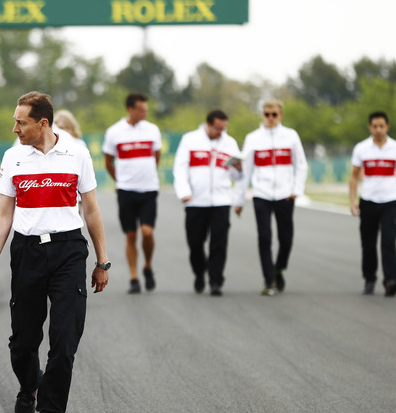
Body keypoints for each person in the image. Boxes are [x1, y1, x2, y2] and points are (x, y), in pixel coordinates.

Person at [0, 91, 110, 413]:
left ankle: (50, 412)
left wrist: (103, 261)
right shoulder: (12, 159)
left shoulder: (77, 154)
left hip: (69, 250)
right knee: (23, 342)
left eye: (20, 122)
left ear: (42, 123)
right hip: (27, 253)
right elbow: (5, 212)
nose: (14, 128)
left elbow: (92, 210)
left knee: (65, 337)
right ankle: (30, 386)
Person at [234, 99, 308, 295]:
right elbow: (245, 171)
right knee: (264, 237)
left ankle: (278, 268)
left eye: (274, 114)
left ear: (281, 115)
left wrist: (296, 190)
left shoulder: (291, 136)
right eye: (267, 114)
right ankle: (269, 281)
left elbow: (301, 165)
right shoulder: (253, 138)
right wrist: (238, 200)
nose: (270, 118)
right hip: (262, 194)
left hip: (285, 195)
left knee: (286, 240)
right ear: (262, 115)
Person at [173, 110, 242, 296]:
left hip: (221, 201)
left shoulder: (230, 143)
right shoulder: (190, 140)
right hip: (196, 202)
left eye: (224, 128)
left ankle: (215, 280)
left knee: (219, 243)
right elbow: (180, 169)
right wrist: (185, 193)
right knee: (195, 243)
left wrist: (239, 169)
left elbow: (238, 175)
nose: (221, 132)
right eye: (218, 128)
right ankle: (199, 273)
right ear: (208, 124)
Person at [102, 93, 162, 294]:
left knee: (147, 232)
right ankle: (134, 277)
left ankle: (148, 265)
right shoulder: (114, 132)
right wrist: (120, 181)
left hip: (149, 190)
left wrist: (147, 175)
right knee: (131, 234)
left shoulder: (152, 130)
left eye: (146, 109)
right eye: (141, 109)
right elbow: (108, 161)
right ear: (130, 109)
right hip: (126, 191)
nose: (145, 112)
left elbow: (157, 156)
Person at [349, 111, 396, 296]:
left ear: (387, 127)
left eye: (382, 126)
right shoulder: (361, 148)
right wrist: (352, 201)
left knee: (388, 242)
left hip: (390, 202)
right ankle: (369, 278)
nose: (378, 130)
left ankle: (391, 280)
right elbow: (354, 177)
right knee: (368, 242)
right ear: (370, 127)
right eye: (375, 126)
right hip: (368, 201)